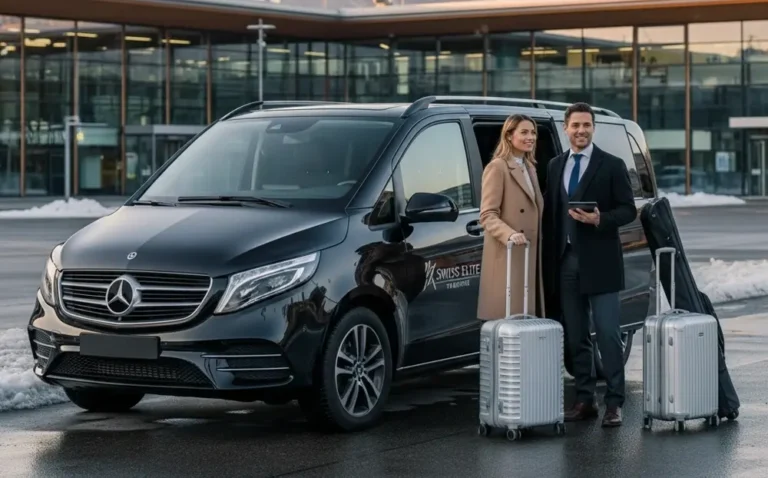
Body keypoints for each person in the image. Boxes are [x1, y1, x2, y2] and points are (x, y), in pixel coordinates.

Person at [542, 102, 637, 427]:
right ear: (565, 128)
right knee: (576, 334)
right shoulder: (555, 165)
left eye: (586, 125)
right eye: (575, 125)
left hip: (602, 262)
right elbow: (552, 215)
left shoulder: (612, 165)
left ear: (592, 128)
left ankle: (614, 403)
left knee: (609, 334)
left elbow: (629, 210)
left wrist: (601, 219)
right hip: (566, 262)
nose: (580, 130)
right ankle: (584, 400)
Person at [477, 114, 545, 321]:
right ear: (508, 136)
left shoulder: (530, 168)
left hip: (529, 254)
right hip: (509, 255)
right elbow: (488, 214)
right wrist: (510, 234)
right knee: (508, 324)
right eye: (524, 132)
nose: (530, 137)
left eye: (533, 132)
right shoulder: (497, 167)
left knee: (526, 324)